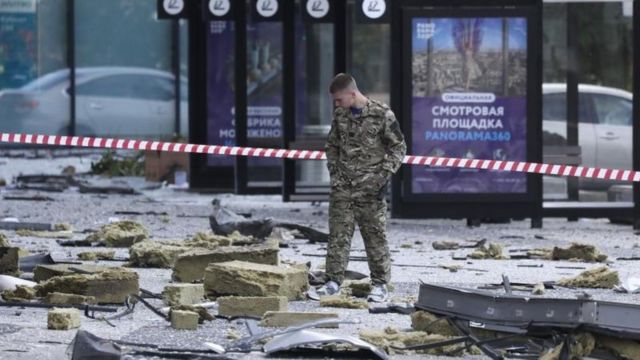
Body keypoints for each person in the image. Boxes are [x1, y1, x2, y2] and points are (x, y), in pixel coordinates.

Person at [309, 73, 406, 303]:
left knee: (375, 238)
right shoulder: (340, 115)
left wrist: (382, 176)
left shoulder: (382, 114)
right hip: (343, 188)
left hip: (370, 190)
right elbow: (331, 146)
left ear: (353, 94)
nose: (337, 104)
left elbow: (398, 148)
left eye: (339, 99)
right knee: (338, 236)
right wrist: (334, 172)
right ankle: (332, 282)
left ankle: (380, 285)